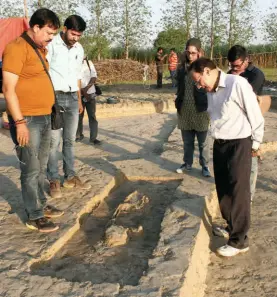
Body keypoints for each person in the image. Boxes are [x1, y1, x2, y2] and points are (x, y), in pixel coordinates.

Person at [189, 58, 264, 257]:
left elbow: (255, 114)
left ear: (207, 71)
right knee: (224, 189)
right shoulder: (211, 91)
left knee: (239, 191)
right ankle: (232, 227)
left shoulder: (236, 84)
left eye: (198, 81)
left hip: (240, 143)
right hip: (220, 144)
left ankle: (239, 241)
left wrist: (255, 144)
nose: (199, 85)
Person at [2, 8, 63, 233]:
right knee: (30, 169)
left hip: (45, 116)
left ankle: (41, 204)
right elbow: (8, 89)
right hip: (27, 119)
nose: (51, 38)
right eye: (48, 32)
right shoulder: (16, 48)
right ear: (35, 27)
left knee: (41, 165)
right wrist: (19, 123)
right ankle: (34, 215)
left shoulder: (39, 49)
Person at [47, 15, 91, 199]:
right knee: (53, 142)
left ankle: (70, 176)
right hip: (54, 98)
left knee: (70, 141)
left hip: (73, 98)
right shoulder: (51, 45)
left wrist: (79, 100)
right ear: (64, 29)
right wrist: (49, 100)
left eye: (79, 35)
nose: (75, 38)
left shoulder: (79, 49)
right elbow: (45, 71)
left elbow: (77, 75)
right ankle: (54, 180)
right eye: (73, 34)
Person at [227, 45, 265, 202]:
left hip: (250, 125)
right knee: (233, 163)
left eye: (237, 65)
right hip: (232, 126)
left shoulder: (256, 75)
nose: (234, 69)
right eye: (231, 65)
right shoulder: (229, 74)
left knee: (251, 163)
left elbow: (247, 99)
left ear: (246, 60)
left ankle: (247, 198)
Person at [175, 38, 211, 177]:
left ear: (199, 52)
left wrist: (201, 64)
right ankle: (187, 164)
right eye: (188, 52)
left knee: (203, 143)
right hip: (185, 109)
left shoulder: (206, 68)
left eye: (194, 53)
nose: (190, 55)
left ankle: (205, 166)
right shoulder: (182, 68)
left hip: (201, 109)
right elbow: (179, 88)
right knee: (187, 142)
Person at [76, 56, 100, 145]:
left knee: (92, 116)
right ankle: (78, 135)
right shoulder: (73, 63)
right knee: (79, 116)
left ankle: (93, 138)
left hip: (90, 94)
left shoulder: (89, 63)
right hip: (78, 94)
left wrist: (85, 89)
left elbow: (94, 77)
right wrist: (82, 91)